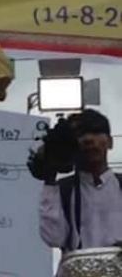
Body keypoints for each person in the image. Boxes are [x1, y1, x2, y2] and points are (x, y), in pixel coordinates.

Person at [30, 109, 122, 254]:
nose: (88, 139)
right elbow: (54, 237)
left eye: (96, 132)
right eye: (80, 135)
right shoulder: (62, 189)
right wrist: (49, 177)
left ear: (110, 142)